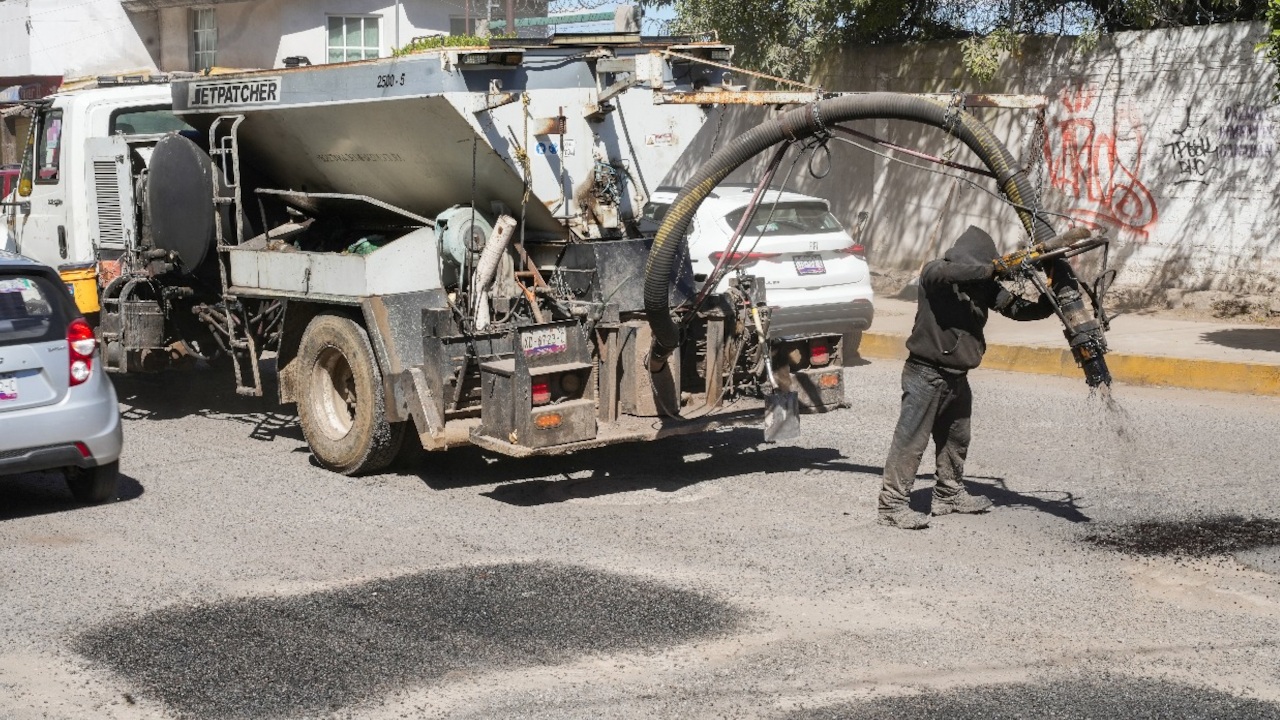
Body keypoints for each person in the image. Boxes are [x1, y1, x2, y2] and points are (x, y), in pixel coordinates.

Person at [877, 225, 1057, 530]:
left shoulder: (983, 287)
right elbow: (955, 273)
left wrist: (1049, 302)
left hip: (958, 376)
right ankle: (892, 506)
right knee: (911, 441)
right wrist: (993, 269)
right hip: (925, 372)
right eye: (985, 264)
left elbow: (1016, 309)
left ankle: (949, 493)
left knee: (957, 438)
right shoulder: (937, 273)